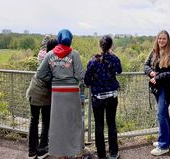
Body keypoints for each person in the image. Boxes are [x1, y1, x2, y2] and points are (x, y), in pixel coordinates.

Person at [36, 29, 84, 159]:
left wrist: (52, 78)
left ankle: (62, 155)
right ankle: (77, 152)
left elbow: (39, 73)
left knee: (59, 124)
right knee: (74, 123)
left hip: (56, 92)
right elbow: (80, 75)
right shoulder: (74, 54)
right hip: (72, 93)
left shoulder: (50, 54)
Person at [144, 30, 170, 156]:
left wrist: (158, 77)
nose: (161, 41)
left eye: (164, 38)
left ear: (168, 40)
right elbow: (145, 65)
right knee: (164, 115)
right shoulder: (154, 52)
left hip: (167, 89)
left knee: (160, 115)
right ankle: (169, 142)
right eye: (159, 38)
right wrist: (151, 72)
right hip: (157, 88)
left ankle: (163, 145)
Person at [84, 35, 122, 159]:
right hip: (112, 96)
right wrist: (113, 55)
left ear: (100, 45)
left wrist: (94, 83)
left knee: (99, 125)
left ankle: (101, 155)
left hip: (98, 97)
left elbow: (87, 80)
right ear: (111, 46)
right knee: (111, 123)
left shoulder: (93, 60)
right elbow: (120, 70)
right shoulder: (114, 59)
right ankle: (114, 153)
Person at [26, 35, 58, 159]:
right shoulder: (52, 60)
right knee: (45, 121)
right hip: (44, 94)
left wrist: (46, 38)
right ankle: (42, 149)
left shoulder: (42, 54)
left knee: (33, 121)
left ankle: (31, 151)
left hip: (33, 90)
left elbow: (43, 46)